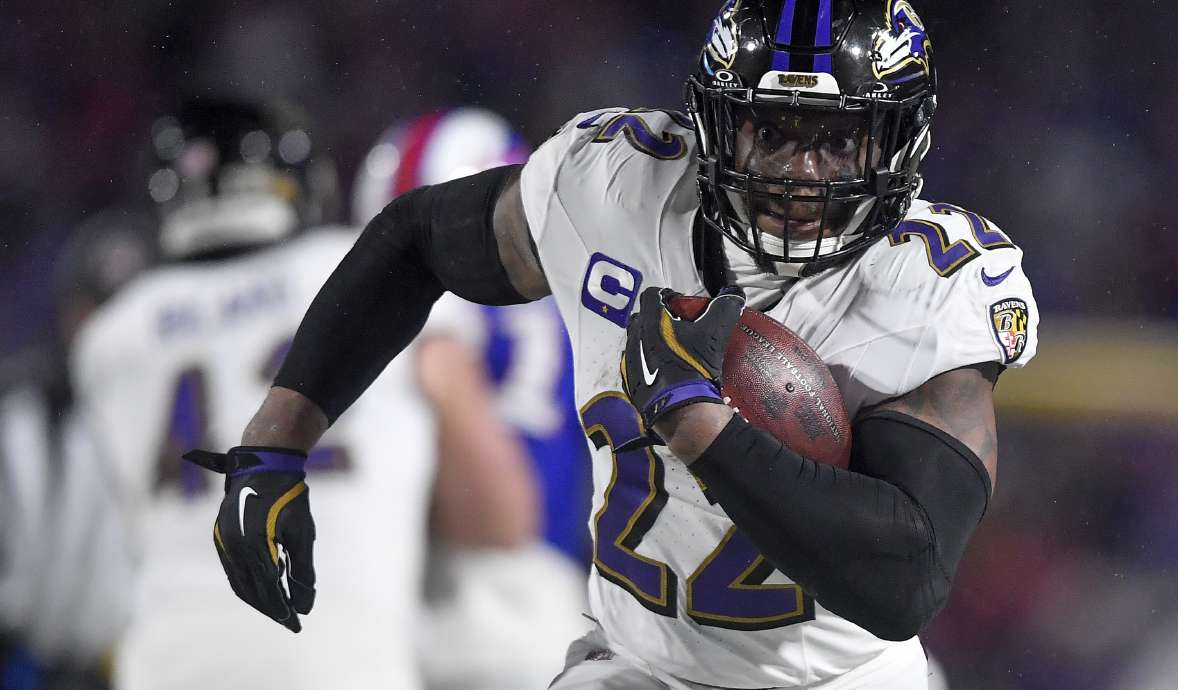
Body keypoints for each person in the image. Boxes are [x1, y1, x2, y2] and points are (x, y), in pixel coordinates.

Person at [189, 1, 1040, 687]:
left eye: (834, 140)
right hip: (639, 667)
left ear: (896, 142)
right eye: (771, 130)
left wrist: (700, 424)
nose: (798, 173)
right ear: (714, 124)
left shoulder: (930, 283)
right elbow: (416, 238)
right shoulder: (617, 188)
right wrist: (275, 445)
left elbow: (905, 581)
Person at [70, 98, 445, 690]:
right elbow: (485, 512)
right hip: (344, 665)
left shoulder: (112, 337)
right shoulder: (360, 268)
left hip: (170, 664)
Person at [354, 108, 591, 690]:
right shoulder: (580, 297)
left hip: (482, 607)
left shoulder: (444, 315)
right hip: (566, 604)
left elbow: (498, 517)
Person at [1, 207, 156, 690]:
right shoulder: (25, 417)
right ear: (68, 315)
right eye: (97, 313)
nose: (109, 336)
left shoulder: (194, 423)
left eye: (125, 315)